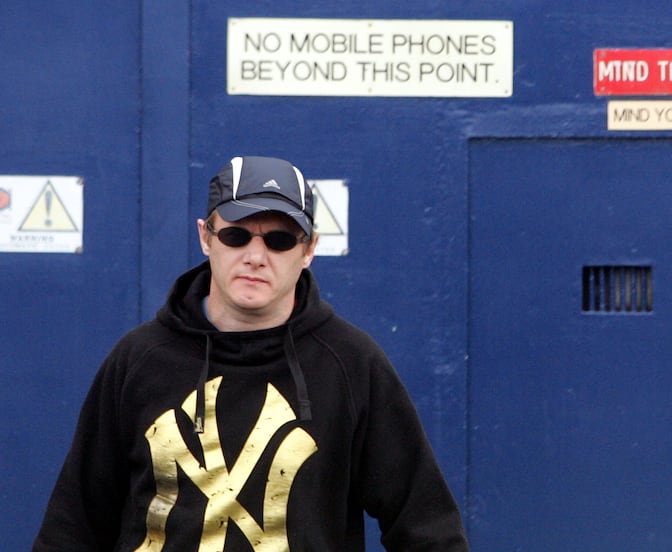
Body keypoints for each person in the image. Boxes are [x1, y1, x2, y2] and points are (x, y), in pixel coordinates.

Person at [33, 156, 469, 551]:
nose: (255, 256)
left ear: (309, 249)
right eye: (236, 235)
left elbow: (426, 527)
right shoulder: (139, 359)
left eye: (279, 240)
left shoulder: (351, 364)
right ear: (206, 238)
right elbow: (75, 524)